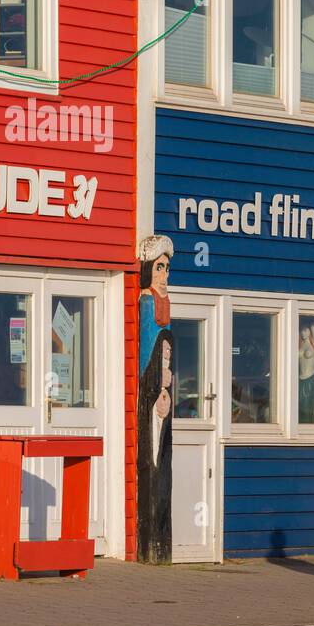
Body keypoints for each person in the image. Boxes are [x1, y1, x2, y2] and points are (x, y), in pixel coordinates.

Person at [137, 235, 175, 564]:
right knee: (152, 454)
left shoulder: (162, 301)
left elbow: (165, 342)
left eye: (167, 268)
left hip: (162, 390)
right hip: (151, 389)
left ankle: (163, 539)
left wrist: (168, 372)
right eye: (158, 267)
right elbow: (148, 350)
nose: (164, 276)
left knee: (163, 455)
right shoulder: (146, 302)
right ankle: (151, 543)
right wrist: (155, 377)